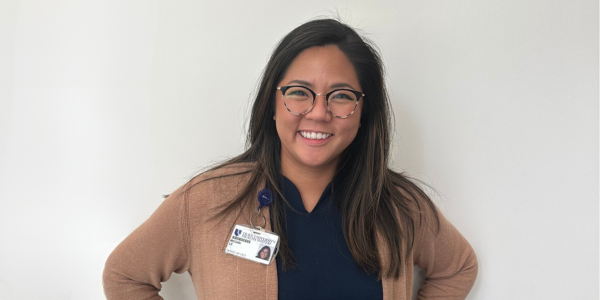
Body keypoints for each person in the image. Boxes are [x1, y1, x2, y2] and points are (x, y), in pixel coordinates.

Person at [103, 19, 477, 300]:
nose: (318, 113)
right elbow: (125, 275)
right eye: (300, 92)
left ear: (365, 113)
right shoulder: (205, 201)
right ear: (272, 103)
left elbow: (458, 267)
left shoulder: (400, 208)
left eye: (342, 95)